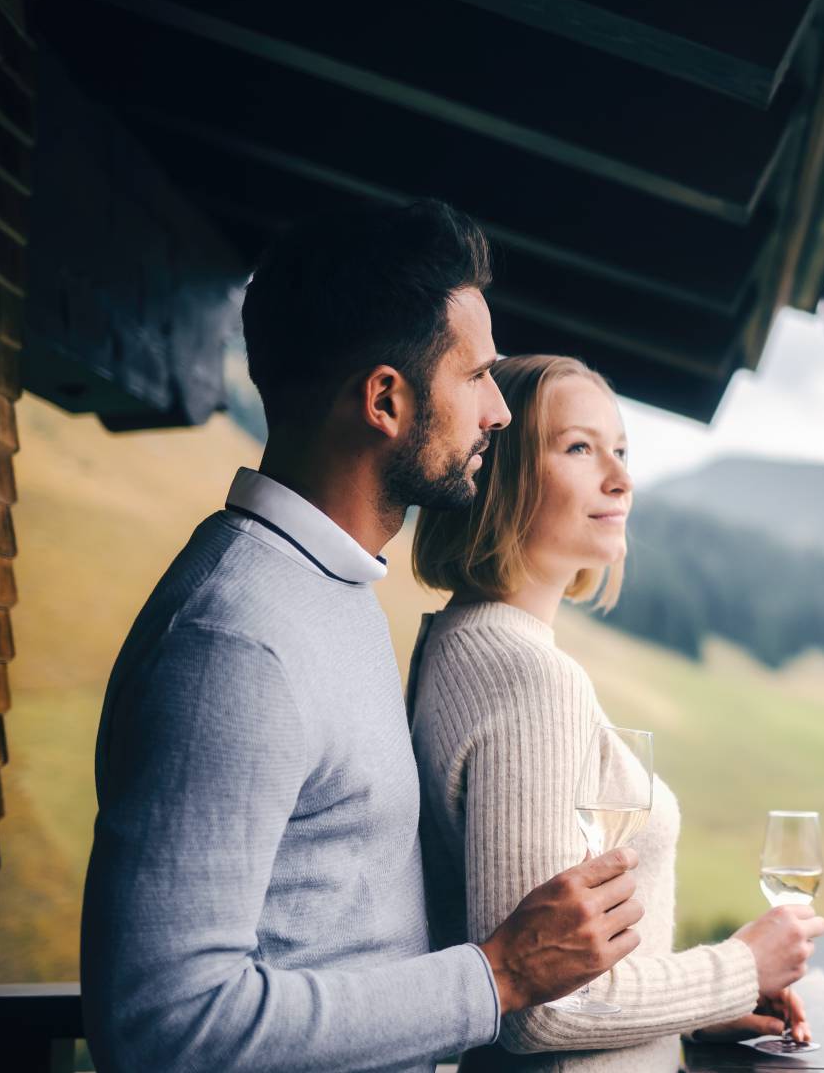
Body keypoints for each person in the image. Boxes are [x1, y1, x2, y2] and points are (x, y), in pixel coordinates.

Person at [81, 201, 646, 1072]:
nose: (498, 411)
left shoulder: (327, 592)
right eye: (477, 378)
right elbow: (165, 1024)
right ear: (386, 400)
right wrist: (496, 977)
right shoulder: (238, 641)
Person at [408, 354, 824, 1071]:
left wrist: (696, 1006)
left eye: (622, 451)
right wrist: (740, 966)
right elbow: (540, 1007)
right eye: (579, 447)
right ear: (504, 473)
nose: (622, 479)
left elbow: (561, 972)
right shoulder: (530, 677)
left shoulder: (454, 640)